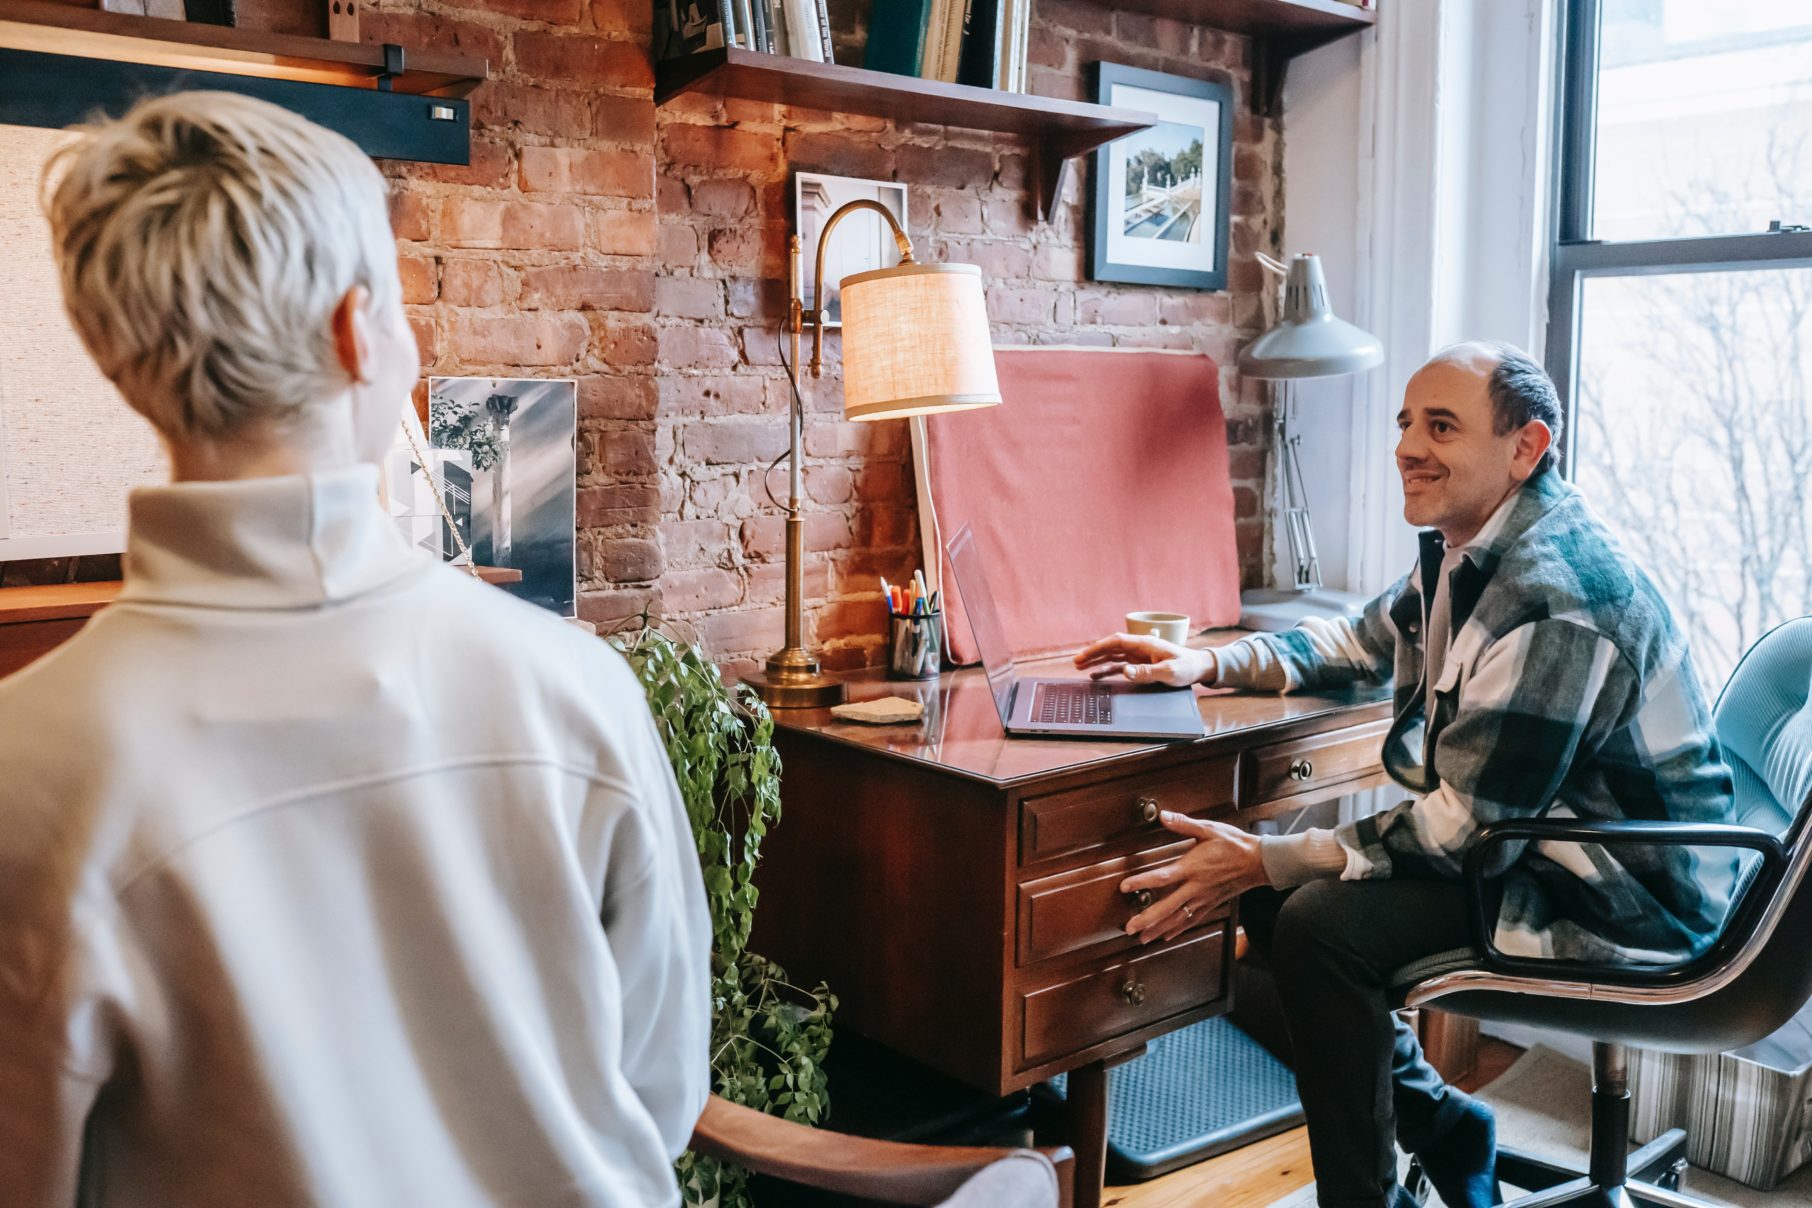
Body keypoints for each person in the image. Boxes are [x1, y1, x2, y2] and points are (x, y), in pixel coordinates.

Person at [0, 93, 710, 1206]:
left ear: (118, 356)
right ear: (353, 329)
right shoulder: (574, 689)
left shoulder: (25, 767)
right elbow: (658, 1097)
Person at [1075, 343, 1738, 1208]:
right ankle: (1444, 1127)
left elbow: (1462, 828)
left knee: (1315, 923)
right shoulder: (1475, 546)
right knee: (1285, 898)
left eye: (1441, 426)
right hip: (1544, 850)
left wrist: (1264, 856)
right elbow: (1358, 640)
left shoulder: (1557, 598)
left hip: (1626, 896)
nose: (1406, 447)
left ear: (1525, 447)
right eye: (1405, 423)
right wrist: (1203, 664)